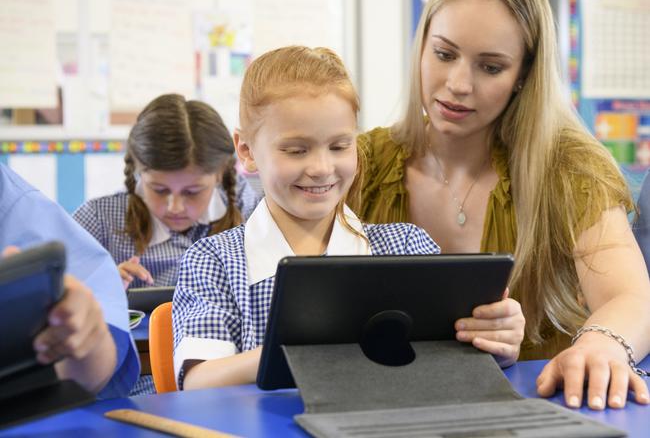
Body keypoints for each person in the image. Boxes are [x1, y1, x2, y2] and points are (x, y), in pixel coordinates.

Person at [349, 0, 650, 410]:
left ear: (522, 76)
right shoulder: (362, 164)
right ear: (422, 43)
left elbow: (630, 296)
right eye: (444, 54)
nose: (457, 84)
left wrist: (601, 344)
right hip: (383, 409)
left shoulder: (568, 167)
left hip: (535, 412)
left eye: (490, 67)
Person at [171, 45, 525, 391]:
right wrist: (306, 353)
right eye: (296, 150)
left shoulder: (406, 247)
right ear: (246, 151)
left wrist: (498, 343)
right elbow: (199, 379)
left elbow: (453, 362)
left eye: (340, 146)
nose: (322, 168)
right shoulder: (214, 261)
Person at [73, 93, 260, 395]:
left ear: (219, 175)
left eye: (192, 192)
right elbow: (57, 300)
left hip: (226, 380)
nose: (175, 206)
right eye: (159, 190)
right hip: (131, 387)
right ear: (137, 172)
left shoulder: (248, 211)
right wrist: (98, 284)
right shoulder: (98, 220)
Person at [0, 163, 139, 397]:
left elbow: (94, 335)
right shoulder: (98, 213)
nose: (175, 206)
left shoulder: (12, 200)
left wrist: (87, 335)